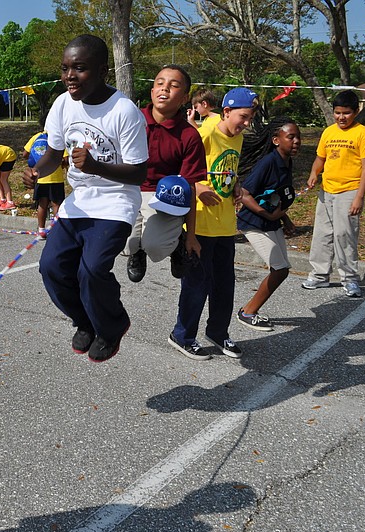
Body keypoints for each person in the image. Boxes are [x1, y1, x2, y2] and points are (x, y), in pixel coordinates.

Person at [22, 34, 148, 363]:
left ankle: (111, 326)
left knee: (91, 271)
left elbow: (138, 173)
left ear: (102, 70)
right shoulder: (64, 104)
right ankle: (84, 321)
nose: (70, 76)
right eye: (65, 69)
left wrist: (96, 166)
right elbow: (52, 153)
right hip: (79, 201)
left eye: (79, 68)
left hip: (116, 202)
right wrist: (37, 171)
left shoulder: (124, 111)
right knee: (51, 267)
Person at [168, 87, 258, 361]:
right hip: (199, 225)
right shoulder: (203, 133)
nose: (246, 123)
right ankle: (182, 335)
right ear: (227, 111)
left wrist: (236, 187)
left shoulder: (238, 138)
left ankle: (218, 332)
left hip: (225, 224)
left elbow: (229, 170)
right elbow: (178, 174)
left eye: (250, 118)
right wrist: (196, 188)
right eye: (242, 117)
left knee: (224, 284)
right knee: (196, 284)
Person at [124, 64, 207, 283]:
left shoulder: (189, 135)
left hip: (165, 198)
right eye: (159, 83)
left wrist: (190, 236)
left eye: (173, 85)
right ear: (152, 91)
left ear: (185, 97)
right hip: (129, 190)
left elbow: (189, 187)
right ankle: (135, 251)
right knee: (121, 241)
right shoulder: (131, 121)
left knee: (156, 246)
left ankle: (176, 243)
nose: (164, 89)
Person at [302, 90, 365, 297]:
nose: (341, 117)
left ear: (356, 111)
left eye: (346, 113)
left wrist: (359, 196)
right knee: (322, 234)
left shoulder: (362, 133)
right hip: (327, 191)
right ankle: (319, 275)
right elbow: (320, 159)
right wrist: (314, 173)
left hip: (349, 191)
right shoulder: (328, 132)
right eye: (337, 113)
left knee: (345, 235)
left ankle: (350, 278)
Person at [236, 117, 302, 331]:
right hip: (253, 222)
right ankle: (247, 312)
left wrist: (285, 218)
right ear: (276, 140)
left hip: (269, 222)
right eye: (290, 137)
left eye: (298, 137)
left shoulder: (287, 162)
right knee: (280, 269)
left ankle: (248, 311)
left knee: (282, 269)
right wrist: (268, 215)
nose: (296, 141)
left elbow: (276, 195)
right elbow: (244, 194)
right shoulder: (268, 162)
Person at [22, 130, 67, 237]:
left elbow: (25, 154)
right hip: (55, 178)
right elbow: (65, 158)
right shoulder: (58, 136)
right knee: (56, 204)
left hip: (40, 176)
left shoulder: (36, 136)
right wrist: (63, 165)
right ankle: (58, 231)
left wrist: (35, 160)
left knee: (42, 204)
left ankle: (41, 230)